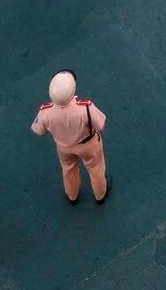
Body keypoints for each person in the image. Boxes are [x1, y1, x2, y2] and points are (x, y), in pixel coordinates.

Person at [30, 70, 108, 205]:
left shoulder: (45, 112)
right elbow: (101, 125)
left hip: (64, 147)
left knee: (68, 169)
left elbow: (39, 130)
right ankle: (100, 195)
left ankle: (72, 196)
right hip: (88, 144)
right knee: (96, 168)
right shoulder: (86, 108)